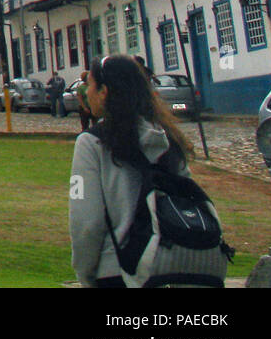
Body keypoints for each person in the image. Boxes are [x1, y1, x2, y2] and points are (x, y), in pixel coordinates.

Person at [68, 54, 195, 288]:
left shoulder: (91, 143)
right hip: (171, 266)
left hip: (117, 268)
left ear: (104, 92)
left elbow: (86, 221)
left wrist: (85, 273)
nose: (88, 93)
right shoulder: (168, 139)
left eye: (92, 86)